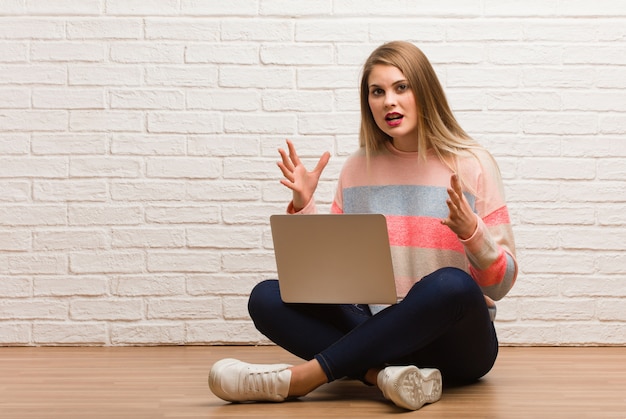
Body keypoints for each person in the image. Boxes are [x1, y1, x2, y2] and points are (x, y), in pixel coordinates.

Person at [208, 41, 518, 411]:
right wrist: (305, 208)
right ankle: (384, 375)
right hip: (374, 328)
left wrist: (472, 233)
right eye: (377, 91)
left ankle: (303, 378)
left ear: (425, 91)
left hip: (455, 344)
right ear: (367, 102)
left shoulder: (473, 163)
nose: (389, 101)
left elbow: (500, 285)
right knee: (266, 297)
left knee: (451, 284)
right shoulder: (358, 168)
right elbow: (333, 277)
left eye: (401, 87)